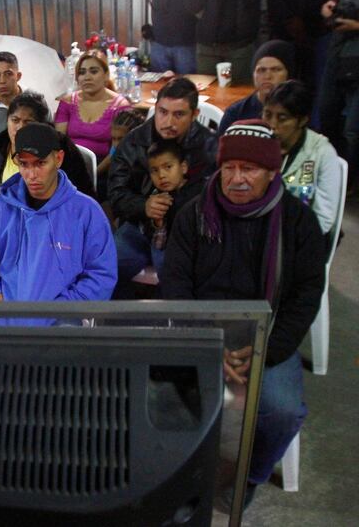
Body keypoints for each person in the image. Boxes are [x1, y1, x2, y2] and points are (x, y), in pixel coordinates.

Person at [162, 120, 326, 506]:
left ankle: (245, 474)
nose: (236, 178)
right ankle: (182, 473)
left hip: (267, 336)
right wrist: (206, 344)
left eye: (249, 169)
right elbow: (176, 284)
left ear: (272, 172)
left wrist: (263, 351)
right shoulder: (194, 214)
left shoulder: (298, 222)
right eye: (229, 167)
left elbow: (305, 296)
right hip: (202, 331)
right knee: (164, 397)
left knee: (280, 411)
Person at [0, 123, 117, 325]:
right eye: (24, 164)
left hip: (64, 321)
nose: (31, 174)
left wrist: (64, 307)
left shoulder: (87, 212)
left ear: (59, 159)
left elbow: (101, 274)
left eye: (40, 163)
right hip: (5, 317)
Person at [108, 77, 217, 289]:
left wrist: (172, 209)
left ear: (194, 115)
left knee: (178, 281)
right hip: (139, 226)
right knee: (105, 269)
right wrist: (144, 206)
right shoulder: (133, 141)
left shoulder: (210, 147)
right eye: (163, 112)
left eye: (179, 114)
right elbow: (115, 194)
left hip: (189, 233)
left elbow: (214, 198)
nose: (168, 122)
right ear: (155, 108)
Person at [0, 91, 93, 208]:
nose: (20, 128)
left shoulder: (60, 146)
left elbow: (82, 194)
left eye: (28, 122)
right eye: (15, 120)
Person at [263, 80, 343, 235]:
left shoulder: (322, 153)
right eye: (267, 114)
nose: (272, 124)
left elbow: (324, 218)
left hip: (301, 236)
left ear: (303, 120)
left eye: (282, 118)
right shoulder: (256, 142)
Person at [142, 139, 204, 275]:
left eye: (168, 167)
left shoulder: (200, 193)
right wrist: (158, 223)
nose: (161, 175)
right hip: (169, 250)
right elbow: (157, 243)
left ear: (183, 167)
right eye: (154, 170)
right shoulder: (156, 197)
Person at [55, 52, 131, 159]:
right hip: (71, 165)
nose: (87, 77)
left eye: (93, 71)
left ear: (106, 75)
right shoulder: (67, 102)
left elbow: (119, 151)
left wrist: (94, 172)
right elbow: (59, 143)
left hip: (107, 168)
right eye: (82, 72)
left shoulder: (120, 106)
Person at [319, 0, 359, 191]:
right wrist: (331, 6)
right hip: (338, 54)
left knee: (352, 130)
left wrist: (356, 26)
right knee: (326, 115)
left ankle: (347, 182)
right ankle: (331, 174)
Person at [219, 40, 297, 135]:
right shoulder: (236, 113)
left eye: (276, 70)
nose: (267, 76)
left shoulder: (297, 111)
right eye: (261, 70)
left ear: (288, 74)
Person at [188, 0, 261, 84]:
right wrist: (203, 14)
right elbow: (191, 1)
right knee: (207, 89)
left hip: (239, 43)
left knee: (239, 89)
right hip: (208, 42)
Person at [148, 0, 197, 75]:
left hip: (185, 41)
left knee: (186, 83)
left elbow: (196, 6)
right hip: (160, 39)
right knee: (158, 83)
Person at [96, 108, 146, 181]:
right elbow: (95, 173)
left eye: (121, 139)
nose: (115, 144)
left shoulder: (144, 159)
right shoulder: (115, 151)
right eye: (113, 139)